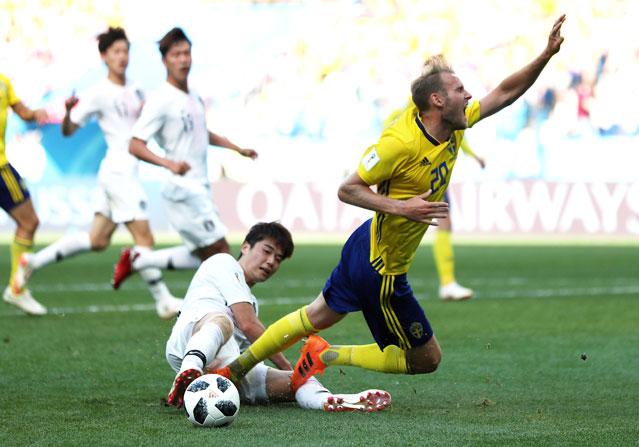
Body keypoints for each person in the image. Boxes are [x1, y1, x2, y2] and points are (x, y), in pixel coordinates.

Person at [199, 15, 567, 396]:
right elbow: (348, 189)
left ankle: (234, 369)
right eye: (460, 90)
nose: (470, 95)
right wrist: (403, 208)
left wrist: (545, 55)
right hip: (383, 270)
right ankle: (329, 356)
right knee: (426, 359)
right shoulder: (400, 143)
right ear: (437, 101)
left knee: (314, 316)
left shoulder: (454, 124)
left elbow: (504, 92)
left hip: (365, 243)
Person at [13, 28, 182, 319]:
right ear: (104, 56)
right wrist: (68, 112)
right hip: (119, 172)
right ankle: (163, 299)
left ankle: (32, 261)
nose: (122, 57)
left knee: (97, 240)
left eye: (125, 51)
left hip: (122, 171)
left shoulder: (137, 88)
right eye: (115, 51)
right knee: (144, 237)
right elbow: (67, 131)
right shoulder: (97, 93)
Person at [165, 221, 391, 412]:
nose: (272, 261)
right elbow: (248, 324)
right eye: (267, 250)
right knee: (222, 322)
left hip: (224, 370)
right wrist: (286, 365)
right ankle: (189, 369)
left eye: (278, 258)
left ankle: (331, 400)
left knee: (300, 380)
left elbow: (251, 349)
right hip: (189, 341)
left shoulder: (251, 302)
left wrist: (294, 374)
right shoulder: (223, 262)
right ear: (245, 247)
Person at [111, 27, 257, 290]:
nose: (183, 59)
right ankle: (229, 313)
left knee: (206, 256)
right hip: (182, 190)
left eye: (187, 53)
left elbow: (202, 132)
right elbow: (135, 144)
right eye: (176, 54)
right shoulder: (161, 99)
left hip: (199, 186)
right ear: (165, 60)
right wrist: (169, 163)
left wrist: (236, 148)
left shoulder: (192, 95)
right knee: (223, 256)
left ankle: (138, 260)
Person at [1, 73, 48, 315]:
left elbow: (21, 111)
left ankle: (17, 288)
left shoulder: (4, 81)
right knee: (29, 221)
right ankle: (17, 290)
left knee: (29, 222)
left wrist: (35, 113)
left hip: (2, 167)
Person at [434, 134, 486, 301]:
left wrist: (473, 155)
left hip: (434, 174)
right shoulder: (412, 113)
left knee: (444, 223)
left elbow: (457, 130)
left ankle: (447, 283)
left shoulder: (404, 112)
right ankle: (447, 283)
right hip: (423, 173)